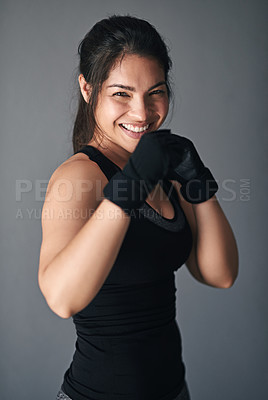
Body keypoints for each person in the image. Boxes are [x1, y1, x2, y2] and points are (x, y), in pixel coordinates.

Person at [38, 15, 239, 400]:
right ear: (87, 88)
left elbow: (220, 273)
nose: (142, 113)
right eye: (121, 94)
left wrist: (199, 185)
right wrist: (129, 185)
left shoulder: (162, 168)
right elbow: (62, 299)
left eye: (155, 92)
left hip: (174, 391)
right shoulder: (80, 177)